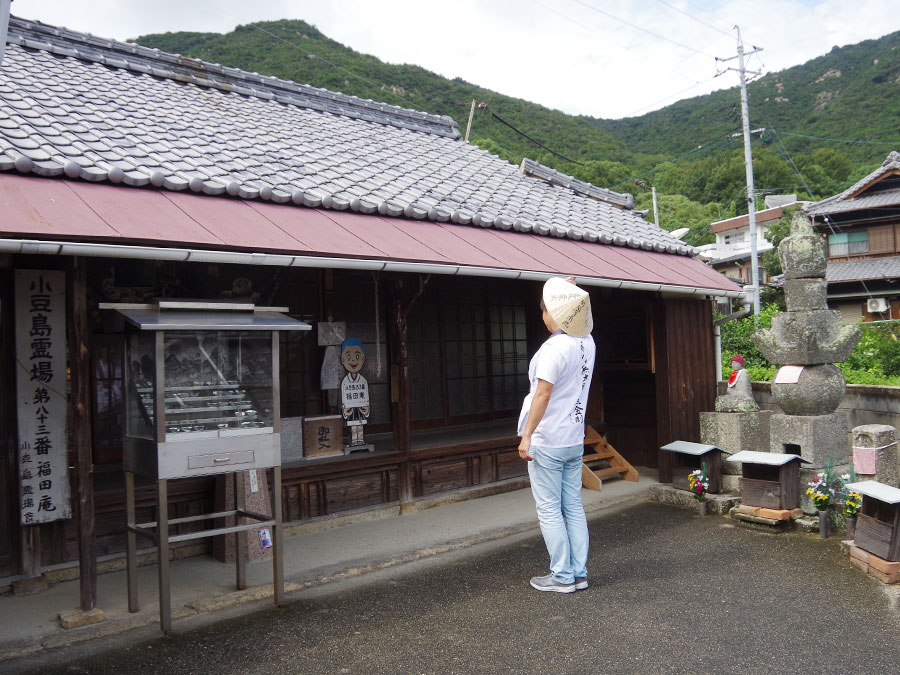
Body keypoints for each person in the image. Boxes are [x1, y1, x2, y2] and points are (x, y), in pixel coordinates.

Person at [518, 276, 596, 593]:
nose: (543, 317)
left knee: (549, 509)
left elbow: (542, 395)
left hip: (548, 440)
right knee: (573, 506)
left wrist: (526, 436)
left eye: (547, 310)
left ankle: (561, 576)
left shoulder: (553, 348)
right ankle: (578, 572)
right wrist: (567, 291)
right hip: (574, 438)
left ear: (555, 313)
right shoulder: (588, 343)